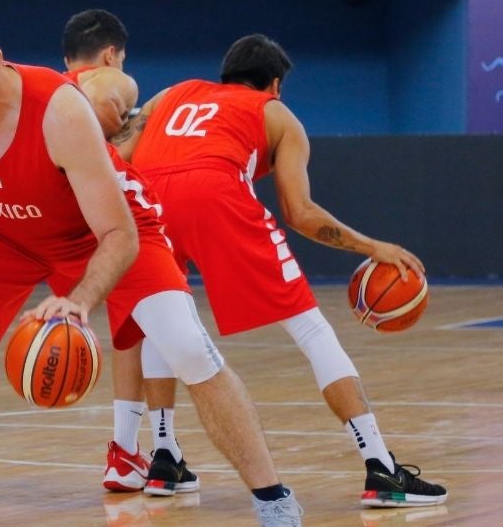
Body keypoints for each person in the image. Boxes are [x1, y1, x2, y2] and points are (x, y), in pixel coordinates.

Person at [0, 0, 302, 526]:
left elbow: (117, 232)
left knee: (189, 348)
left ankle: (275, 502)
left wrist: (78, 301)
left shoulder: (60, 111)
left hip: (100, 230)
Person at [115, 32, 448, 509]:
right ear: (274, 84)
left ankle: (164, 456)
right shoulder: (275, 113)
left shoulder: (171, 95)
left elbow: (118, 151)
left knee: (161, 319)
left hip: (147, 197)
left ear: (225, 73)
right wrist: (372, 246)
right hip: (217, 196)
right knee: (309, 328)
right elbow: (300, 212)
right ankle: (380, 466)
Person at [61, 8, 199, 497]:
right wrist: (152, 110)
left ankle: (134, 452)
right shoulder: (110, 84)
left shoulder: (51, 95)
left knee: (130, 332)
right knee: (169, 328)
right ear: (110, 55)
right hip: (112, 220)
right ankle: (140, 450)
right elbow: (113, 140)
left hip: (56, 224)